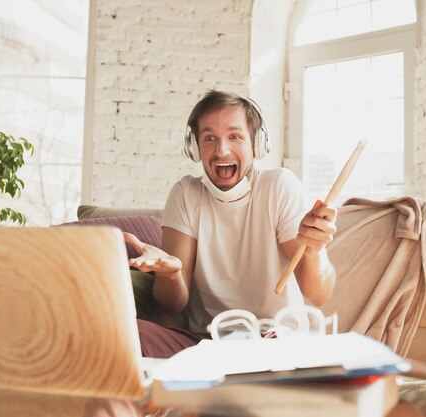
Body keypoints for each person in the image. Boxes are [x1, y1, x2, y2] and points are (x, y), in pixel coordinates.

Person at [124, 90, 337, 358]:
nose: (221, 150)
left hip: (272, 339)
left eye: (235, 137)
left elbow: (318, 296)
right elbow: (174, 305)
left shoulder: (279, 186)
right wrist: (170, 273)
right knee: (121, 334)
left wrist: (316, 253)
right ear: (195, 147)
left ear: (256, 145)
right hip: (204, 341)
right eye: (209, 138)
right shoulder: (185, 194)